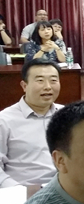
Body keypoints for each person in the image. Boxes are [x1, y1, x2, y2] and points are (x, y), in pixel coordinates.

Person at [0, 59, 61, 187]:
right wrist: (19, 191)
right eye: (40, 80)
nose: (48, 87)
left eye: (53, 80)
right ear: (24, 86)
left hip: (67, 189)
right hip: (24, 191)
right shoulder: (4, 120)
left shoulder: (67, 115)